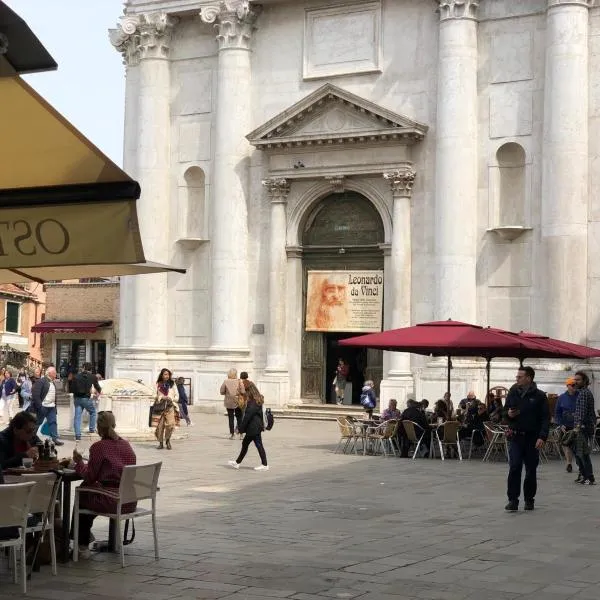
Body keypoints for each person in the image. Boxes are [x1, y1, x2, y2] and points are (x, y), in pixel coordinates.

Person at [72, 411, 136, 559]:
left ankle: (82, 544)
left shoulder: (99, 447)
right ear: (114, 425)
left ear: (99, 428)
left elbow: (89, 477)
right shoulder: (126, 445)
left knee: (82, 493)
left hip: (112, 500)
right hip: (129, 499)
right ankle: (83, 537)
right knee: (88, 495)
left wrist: (78, 462)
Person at [504, 366, 549, 511]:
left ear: (529, 378)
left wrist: (542, 436)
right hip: (516, 436)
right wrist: (509, 415)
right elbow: (505, 412)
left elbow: (545, 418)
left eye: (520, 377)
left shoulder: (540, 396)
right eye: (517, 376)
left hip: (532, 438)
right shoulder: (513, 392)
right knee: (515, 467)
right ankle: (513, 500)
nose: (516, 379)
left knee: (530, 469)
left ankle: (529, 499)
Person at [228, 381, 268, 471]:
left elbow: (247, 416)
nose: (245, 393)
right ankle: (237, 462)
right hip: (254, 427)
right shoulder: (257, 399)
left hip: (254, 427)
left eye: (246, 391)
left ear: (249, 391)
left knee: (258, 444)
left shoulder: (253, 402)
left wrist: (240, 428)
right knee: (245, 443)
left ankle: (265, 464)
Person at [573, 371, 595, 485]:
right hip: (583, 427)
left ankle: (588, 477)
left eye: (578, 380)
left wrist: (577, 427)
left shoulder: (584, 393)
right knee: (579, 452)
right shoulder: (582, 393)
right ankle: (583, 474)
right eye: (575, 379)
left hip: (582, 428)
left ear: (584, 381)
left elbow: (582, 412)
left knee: (582, 453)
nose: (575, 382)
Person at [32, 367, 64, 446]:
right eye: (54, 372)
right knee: (37, 423)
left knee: (53, 422)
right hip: (43, 406)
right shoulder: (41, 381)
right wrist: (40, 407)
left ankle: (55, 439)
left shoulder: (53, 382)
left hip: (51, 407)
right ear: (49, 373)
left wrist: (55, 406)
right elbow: (35, 395)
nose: (55, 374)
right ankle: (31, 438)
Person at [72, 362, 102, 441]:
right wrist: (99, 392)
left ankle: (78, 435)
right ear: (90, 369)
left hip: (77, 399)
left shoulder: (76, 376)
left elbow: (71, 388)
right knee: (93, 412)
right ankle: (91, 429)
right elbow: (97, 387)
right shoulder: (92, 376)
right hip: (86, 398)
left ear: (84, 367)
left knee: (77, 416)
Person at [555, 377, 578, 473]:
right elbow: (557, 412)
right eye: (572, 385)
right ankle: (569, 463)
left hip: (577, 424)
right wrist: (560, 424)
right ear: (567, 386)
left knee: (577, 445)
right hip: (565, 424)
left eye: (575, 385)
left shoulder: (580, 396)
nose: (574, 387)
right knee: (566, 444)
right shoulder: (562, 398)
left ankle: (579, 464)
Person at [153, 368, 179, 450]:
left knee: (170, 425)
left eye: (168, 374)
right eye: (165, 374)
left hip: (170, 406)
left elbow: (177, 396)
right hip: (159, 408)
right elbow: (153, 395)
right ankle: (160, 442)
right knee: (160, 426)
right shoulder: (158, 384)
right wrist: (161, 397)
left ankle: (167, 440)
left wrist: (171, 398)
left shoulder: (172, 384)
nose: (166, 376)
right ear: (162, 375)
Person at [220, 368, 244, 439]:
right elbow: (243, 391)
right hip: (237, 401)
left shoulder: (225, 381)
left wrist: (227, 393)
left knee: (231, 418)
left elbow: (221, 391)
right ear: (236, 374)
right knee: (239, 418)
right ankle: (241, 434)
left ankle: (232, 434)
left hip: (228, 401)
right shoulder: (239, 381)